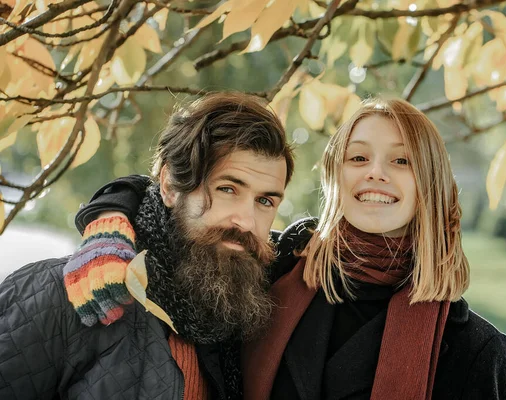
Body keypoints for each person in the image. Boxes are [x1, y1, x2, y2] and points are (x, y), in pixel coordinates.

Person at [60, 98, 506, 399]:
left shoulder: (473, 348)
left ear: (429, 184)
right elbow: (176, 194)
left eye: (401, 160)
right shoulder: (273, 272)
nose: (376, 173)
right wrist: (109, 221)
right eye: (358, 157)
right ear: (336, 176)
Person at [0, 92, 295, 400]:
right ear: (169, 186)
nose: (246, 221)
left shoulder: (238, 311)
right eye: (227, 189)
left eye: (264, 200)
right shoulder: (61, 294)